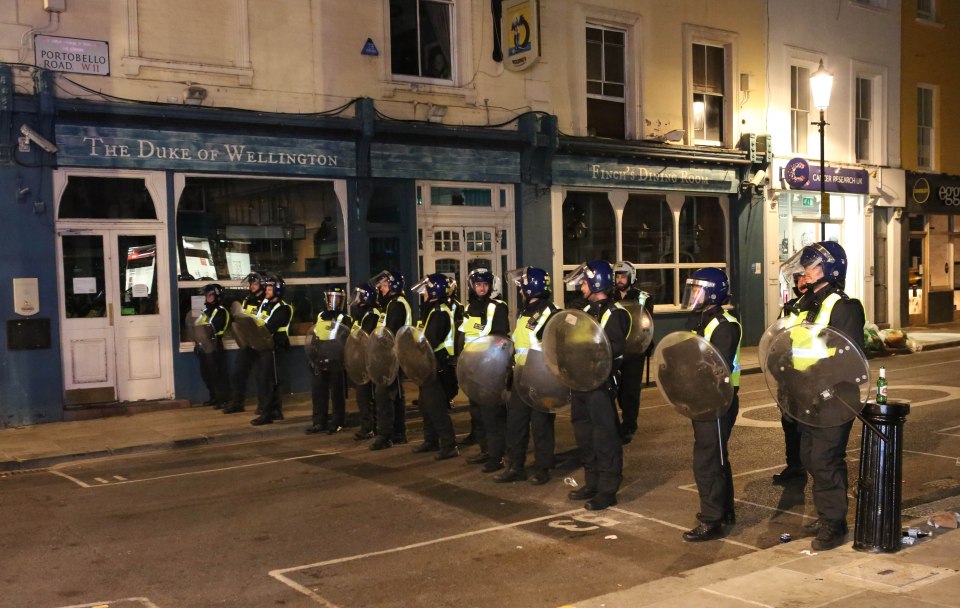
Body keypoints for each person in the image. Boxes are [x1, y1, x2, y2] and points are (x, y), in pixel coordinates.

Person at [781, 241, 865, 551]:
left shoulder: (843, 307)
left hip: (835, 396)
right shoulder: (803, 305)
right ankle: (830, 513)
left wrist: (819, 380)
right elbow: (786, 344)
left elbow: (849, 356)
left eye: (812, 265)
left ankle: (834, 523)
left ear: (830, 270)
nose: (805, 270)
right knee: (810, 457)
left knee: (825, 458)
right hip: (806, 396)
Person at [561, 261, 631, 510]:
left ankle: (607, 489)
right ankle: (592, 482)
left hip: (600, 386)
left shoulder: (616, 313)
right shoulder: (583, 311)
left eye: (585, 282)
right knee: (584, 435)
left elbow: (613, 350)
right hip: (580, 382)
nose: (581, 286)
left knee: (605, 437)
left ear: (596, 283)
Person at [680, 267, 742, 542]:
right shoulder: (701, 321)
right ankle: (724, 510)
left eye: (698, 289)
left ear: (713, 292)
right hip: (702, 398)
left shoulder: (724, 325)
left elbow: (718, 367)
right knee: (716, 457)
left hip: (717, 400)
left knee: (707, 460)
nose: (693, 294)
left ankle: (711, 519)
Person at [495, 267, 558, 483]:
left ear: (531, 288)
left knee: (541, 426)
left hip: (541, 379)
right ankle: (515, 466)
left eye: (522, 286)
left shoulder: (552, 312)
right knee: (516, 423)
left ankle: (543, 469)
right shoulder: (524, 312)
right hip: (521, 376)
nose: (520, 291)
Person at [459, 268, 510, 467]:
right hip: (472, 368)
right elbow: (465, 336)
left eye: (485, 284)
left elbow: (499, 336)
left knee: (492, 415)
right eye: (478, 284)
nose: (482, 288)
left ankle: (497, 456)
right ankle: (485, 450)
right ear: (472, 286)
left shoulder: (496, 307)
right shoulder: (469, 308)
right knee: (477, 414)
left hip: (489, 369)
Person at [408, 273, 460, 460]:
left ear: (433, 291)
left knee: (436, 407)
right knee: (425, 405)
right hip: (428, 365)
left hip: (438, 366)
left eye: (426, 290)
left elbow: (430, 339)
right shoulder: (431, 310)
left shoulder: (439, 311)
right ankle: (430, 440)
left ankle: (449, 444)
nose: (423, 293)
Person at [369, 269, 412, 451]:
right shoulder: (391, 305)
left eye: (384, 285)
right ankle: (398, 433)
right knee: (395, 395)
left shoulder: (396, 305)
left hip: (391, 357)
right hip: (390, 356)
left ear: (393, 286)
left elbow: (390, 333)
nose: (381, 289)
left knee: (384, 396)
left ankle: (386, 435)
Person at [611, 260, 653, 445]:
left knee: (630, 390)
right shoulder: (610, 296)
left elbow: (647, 324)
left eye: (623, 276)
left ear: (631, 277)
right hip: (616, 350)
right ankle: (614, 425)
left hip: (635, 351)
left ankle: (629, 426)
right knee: (615, 389)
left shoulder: (643, 298)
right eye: (617, 276)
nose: (620, 280)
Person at [772, 272, 808, 484]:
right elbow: (779, 336)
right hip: (788, 376)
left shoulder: (818, 307)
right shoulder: (790, 308)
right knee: (789, 424)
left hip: (808, 377)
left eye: (805, 277)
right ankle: (794, 466)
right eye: (798, 280)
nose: (801, 282)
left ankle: (806, 466)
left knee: (806, 427)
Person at [306, 288, 353, 435]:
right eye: (331, 298)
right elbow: (314, 335)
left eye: (337, 298)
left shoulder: (345, 318)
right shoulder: (320, 316)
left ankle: (338, 422)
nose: (333, 301)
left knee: (337, 394)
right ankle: (319, 422)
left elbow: (347, 339)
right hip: (320, 357)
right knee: (318, 392)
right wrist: (312, 355)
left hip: (336, 359)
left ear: (342, 301)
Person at [251, 274, 293, 426]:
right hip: (264, 347)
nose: (266, 291)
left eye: (270, 288)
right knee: (265, 380)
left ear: (278, 291)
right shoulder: (265, 305)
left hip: (275, 348)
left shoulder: (284, 309)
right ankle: (274, 411)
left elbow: (269, 327)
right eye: (267, 288)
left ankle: (267, 414)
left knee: (269, 382)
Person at [224, 272, 266, 415]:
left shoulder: (267, 301)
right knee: (238, 372)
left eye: (254, 283)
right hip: (247, 342)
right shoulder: (248, 300)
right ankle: (237, 402)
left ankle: (263, 405)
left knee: (262, 376)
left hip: (261, 342)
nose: (252, 286)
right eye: (250, 284)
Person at [351, 283, 380, 441]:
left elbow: (365, 336)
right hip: (359, 360)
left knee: (366, 396)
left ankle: (369, 427)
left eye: (359, 295)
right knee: (362, 396)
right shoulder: (361, 314)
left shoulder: (372, 313)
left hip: (368, 360)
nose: (356, 299)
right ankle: (367, 426)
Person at [195, 283, 231, 408]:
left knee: (217, 374)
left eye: (210, 295)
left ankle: (223, 400)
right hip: (205, 345)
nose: (207, 297)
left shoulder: (221, 311)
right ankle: (214, 397)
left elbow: (214, 327)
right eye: (206, 295)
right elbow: (198, 327)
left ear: (217, 296)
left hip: (215, 344)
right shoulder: (205, 310)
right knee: (206, 373)